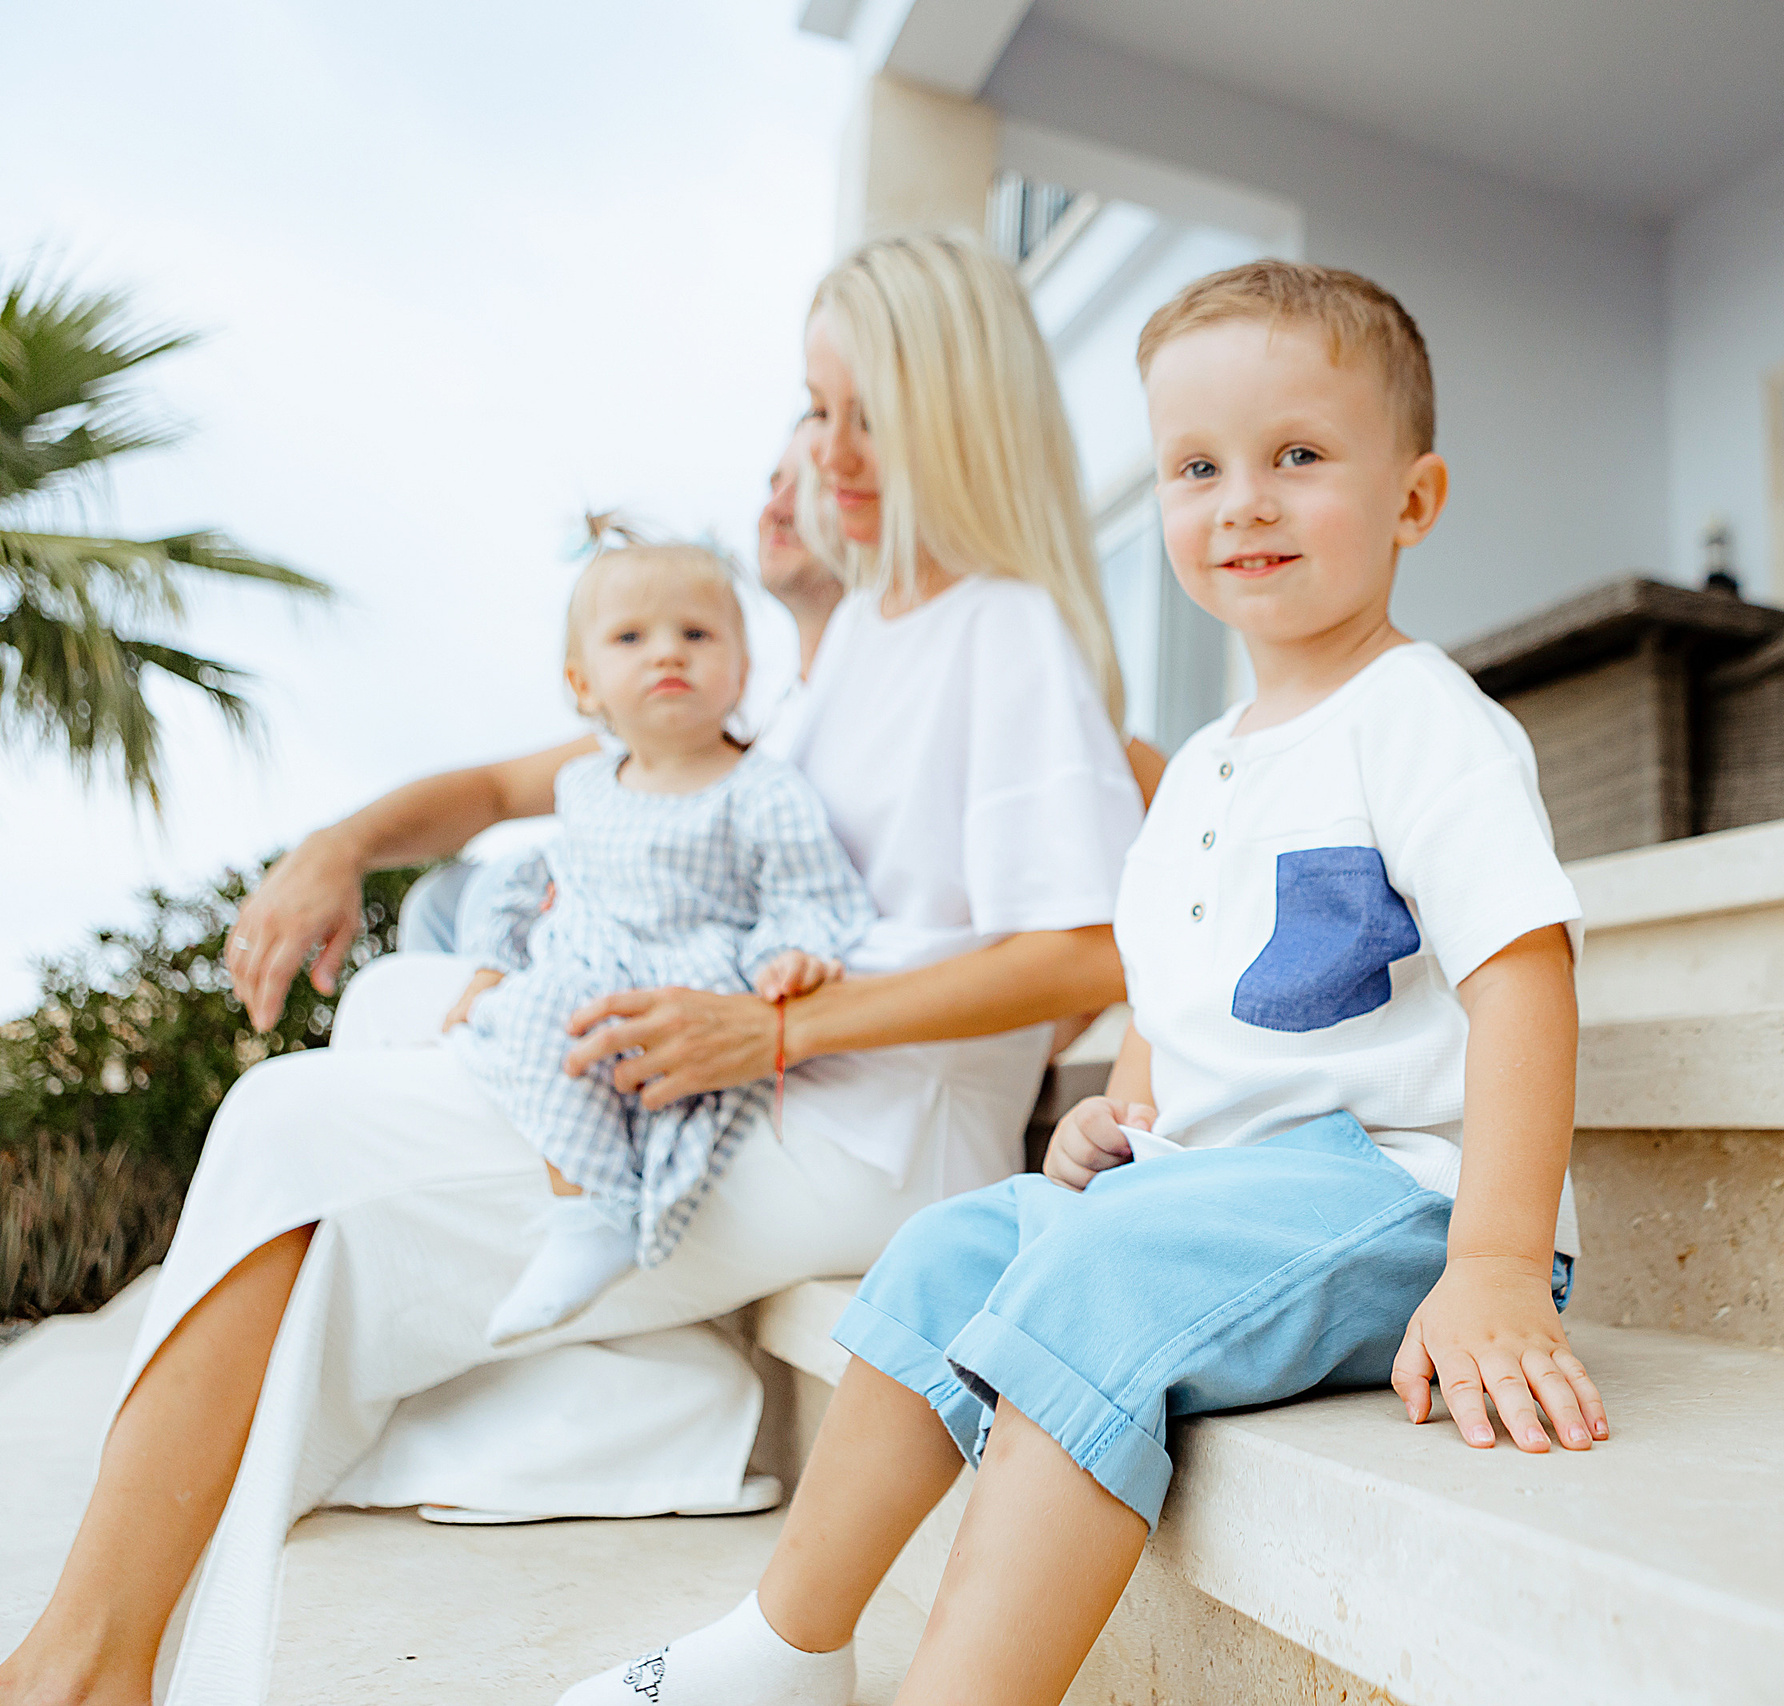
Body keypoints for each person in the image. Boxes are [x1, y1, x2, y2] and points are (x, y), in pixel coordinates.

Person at [0, 232, 1146, 1706]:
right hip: (741, 1096)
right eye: (816, 407)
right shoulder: (859, 642)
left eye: (873, 414)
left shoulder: (1002, 626)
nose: (832, 451)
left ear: (960, 410)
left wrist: (772, 1034)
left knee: (287, 1121)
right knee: (334, 1258)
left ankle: (71, 1674)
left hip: (869, 1133)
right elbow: (562, 802)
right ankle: (111, 1663)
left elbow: (1090, 945)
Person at [558, 260, 1610, 1706]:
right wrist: (1121, 1111)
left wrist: (1494, 1266)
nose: (1242, 498)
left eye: (1297, 456)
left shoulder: (1424, 723)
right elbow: (1179, 993)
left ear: (1413, 501)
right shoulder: (1199, 769)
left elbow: (1525, 979)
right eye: (1197, 465)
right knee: (950, 1249)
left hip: (1403, 1198)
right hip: (1220, 1190)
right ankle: (786, 1648)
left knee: (1099, 1274)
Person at [446, 529, 876, 1344]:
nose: (666, 654)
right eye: (630, 638)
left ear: (742, 672)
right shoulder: (582, 784)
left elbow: (808, 891)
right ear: (583, 683)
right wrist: (491, 963)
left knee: (585, 1021)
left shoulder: (762, 790)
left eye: (697, 634)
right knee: (526, 1012)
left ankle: (595, 1216)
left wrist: (794, 953)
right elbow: (537, 880)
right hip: (585, 954)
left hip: (693, 971)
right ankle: (589, 1201)